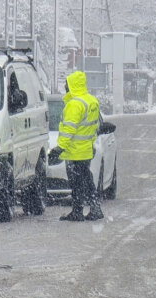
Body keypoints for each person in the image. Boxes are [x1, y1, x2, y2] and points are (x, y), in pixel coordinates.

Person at [48, 71, 103, 221]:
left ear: (73, 85)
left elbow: (69, 129)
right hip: (85, 149)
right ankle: (94, 207)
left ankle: (78, 211)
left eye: (67, 83)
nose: (65, 86)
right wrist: (91, 143)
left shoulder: (75, 104)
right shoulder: (91, 101)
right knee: (86, 179)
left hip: (74, 151)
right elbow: (93, 127)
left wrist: (59, 148)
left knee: (77, 182)